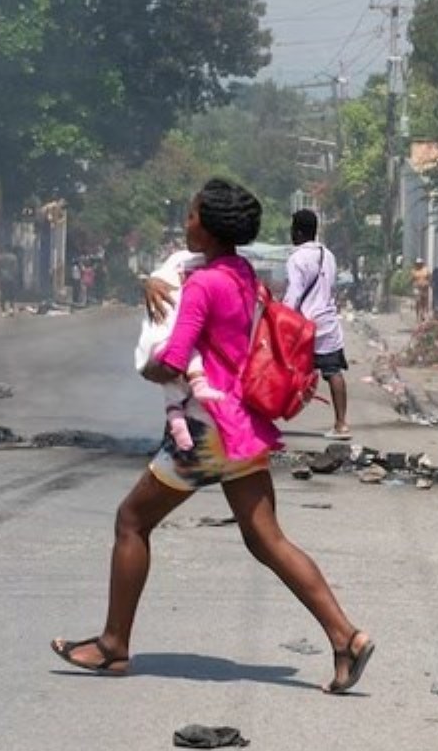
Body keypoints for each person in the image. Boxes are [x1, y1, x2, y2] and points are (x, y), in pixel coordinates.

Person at [50, 178, 375, 694]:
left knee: (131, 521)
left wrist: (149, 365)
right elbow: (176, 272)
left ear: (210, 225)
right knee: (266, 539)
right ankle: (346, 637)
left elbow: (174, 359)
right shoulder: (240, 273)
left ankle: (114, 646)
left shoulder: (203, 286)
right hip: (241, 424)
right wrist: (146, 283)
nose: (185, 223)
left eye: (191, 216)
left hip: (205, 431)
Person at [134, 249, 226, 455]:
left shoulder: (224, 270)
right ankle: (177, 445)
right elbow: (161, 278)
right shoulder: (185, 265)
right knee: (184, 370)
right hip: (178, 350)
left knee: (174, 395)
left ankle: (176, 438)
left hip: (160, 353)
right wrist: (150, 282)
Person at [285, 209, 351, 440]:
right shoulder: (328, 255)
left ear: (299, 232)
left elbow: (294, 293)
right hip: (328, 322)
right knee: (333, 371)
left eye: (293, 229)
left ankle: (266, 417)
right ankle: (342, 424)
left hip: (304, 324)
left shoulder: (296, 258)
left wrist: (282, 316)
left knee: (280, 368)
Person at [411, 257, 432, 323]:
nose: (419, 264)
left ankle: (423, 314)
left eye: (420, 263)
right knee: (418, 301)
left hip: (425, 288)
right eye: (417, 263)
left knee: (424, 301)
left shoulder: (426, 270)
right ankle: (418, 315)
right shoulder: (414, 271)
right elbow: (412, 279)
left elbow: (429, 278)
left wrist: (429, 284)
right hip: (417, 288)